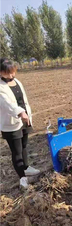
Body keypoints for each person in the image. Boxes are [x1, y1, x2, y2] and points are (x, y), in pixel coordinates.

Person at [0, 58, 40, 189]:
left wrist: (26, 114)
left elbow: (22, 100)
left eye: (13, 72)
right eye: (8, 73)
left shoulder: (16, 82)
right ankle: (22, 178)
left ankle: (26, 168)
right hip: (11, 123)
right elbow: (7, 104)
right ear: (1, 72)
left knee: (23, 146)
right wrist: (20, 113)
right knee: (16, 152)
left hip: (24, 120)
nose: (12, 75)